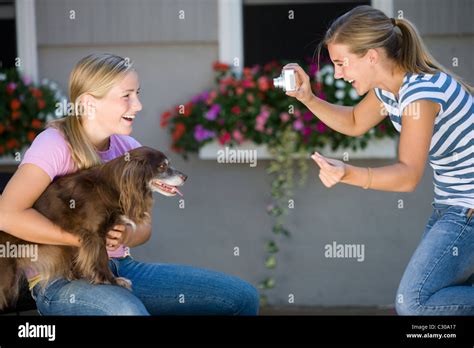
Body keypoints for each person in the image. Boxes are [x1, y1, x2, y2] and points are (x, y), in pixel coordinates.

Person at [0, 53, 259, 315]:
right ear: (89, 103)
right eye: (127, 96)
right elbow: (7, 214)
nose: (138, 105)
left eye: (138, 94)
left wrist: (126, 235)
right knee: (128, 312)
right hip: (60, 279)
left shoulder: (130, 151)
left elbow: (144, 227)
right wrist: (86, 239)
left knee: (241, 298)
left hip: (121, 267)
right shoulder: (54, 144)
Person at [284, 5, 473, 315]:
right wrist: (307, 98)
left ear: (372, 56)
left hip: (467, 210)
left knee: (415, 305)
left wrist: (346, 173)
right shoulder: (391, 90)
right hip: (452, 207)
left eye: (342, 63)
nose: (339, 73)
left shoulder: (420, 94)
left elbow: (408, 176)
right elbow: (356, 121)